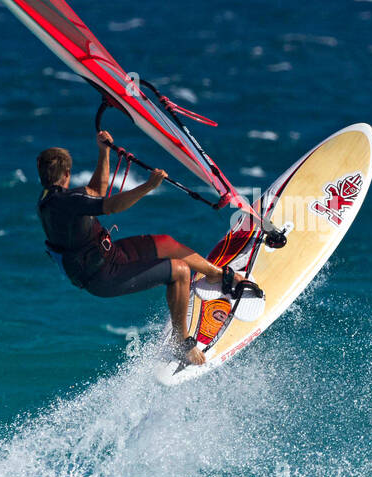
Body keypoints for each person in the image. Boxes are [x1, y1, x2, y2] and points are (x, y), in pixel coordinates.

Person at [36, 132, 257, 366]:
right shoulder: (65, 202)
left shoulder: (51, 199)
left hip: (109, 257)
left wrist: (104, 151)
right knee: (180, 271)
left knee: (166, 243)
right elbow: (110, 206)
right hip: (102, 276)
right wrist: (148, 186)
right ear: (68, 173)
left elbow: (96, 193)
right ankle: (180, 343)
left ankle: (217, 275)